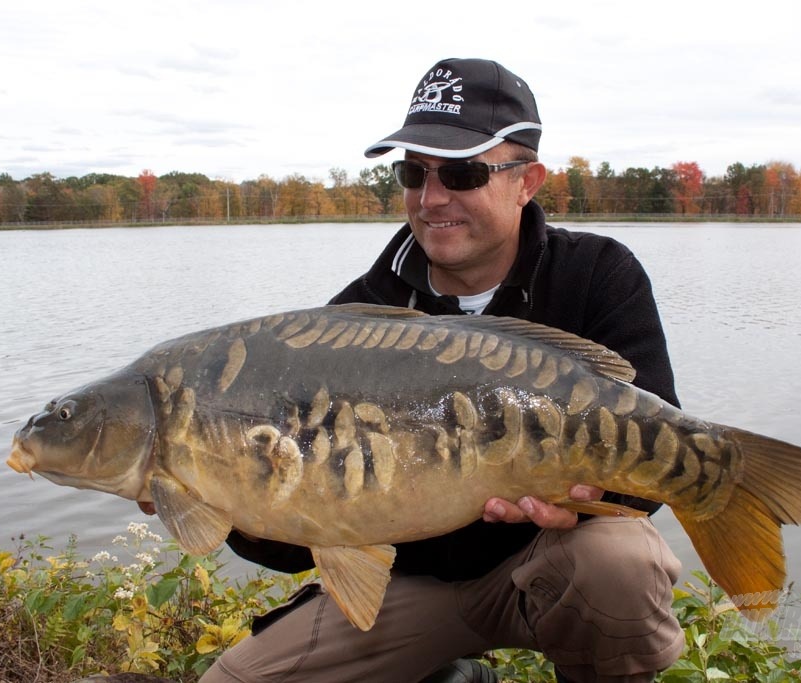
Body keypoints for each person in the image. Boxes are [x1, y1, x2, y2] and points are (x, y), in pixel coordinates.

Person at [198, 58, 685, 683]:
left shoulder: (595, 275)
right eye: (413, 172)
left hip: (552, 563)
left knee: (617, 562)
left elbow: (659, 465)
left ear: (527, 181)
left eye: (462, 172)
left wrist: (591, 501)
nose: (432, 199)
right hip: (414, 581)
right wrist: (226, 491)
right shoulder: (352, 320)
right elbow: (294, 548)